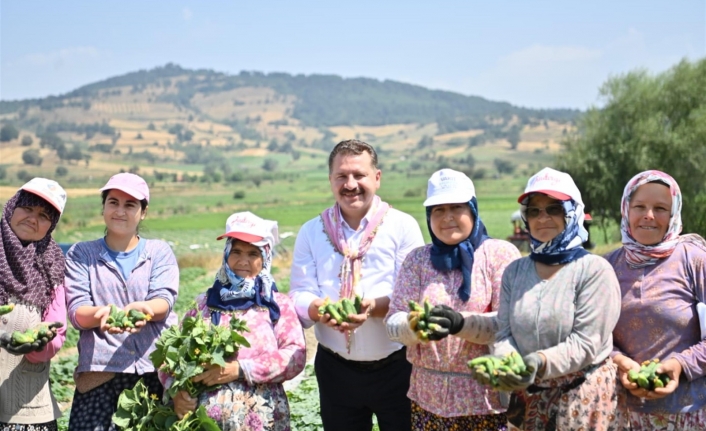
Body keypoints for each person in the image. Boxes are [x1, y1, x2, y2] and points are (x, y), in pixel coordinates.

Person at [289, 139, 424, 431]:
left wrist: (372, 307)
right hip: (336, 370)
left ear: (377, 177)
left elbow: (413, 297)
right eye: (342, 176)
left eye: (359, 175)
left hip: (398, 366)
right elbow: (299, 292)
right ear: (331, 180)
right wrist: (317, 309)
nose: (350, 184)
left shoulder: (402, 226)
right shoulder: (312, 231)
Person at [481, 167, 627, 430]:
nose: (542, 217)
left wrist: (538, 362)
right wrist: (510, 364)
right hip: (528, 399)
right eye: (534, 210)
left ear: (572, 212)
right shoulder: (515, 272)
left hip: (582, 401)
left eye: (554, 208)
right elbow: (503, 333)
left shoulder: (594, 270)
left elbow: (586, 343)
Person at [385, 169, 520, 430]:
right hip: (428, 401)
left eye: (456, 207)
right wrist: (414, 326)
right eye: (438, 209)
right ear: (429, 216)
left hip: (486, 401)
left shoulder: (499, 254)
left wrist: (460, 323)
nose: (447, 217)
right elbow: (393, 321)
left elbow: (510, 323)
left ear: (472, 209)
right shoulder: (418, 261)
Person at [169, 211, 306, 430]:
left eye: (253, 253)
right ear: (226, 254)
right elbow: (172, 356)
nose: (243, 261)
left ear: (265, 258)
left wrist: (242, 369)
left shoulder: (276, 304)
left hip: (264, 420)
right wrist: (176, 392)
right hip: (207, 422)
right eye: (236, 252)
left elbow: (295, 356)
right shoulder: (204, 304)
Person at [64, 173, 179, 431]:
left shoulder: (158, 252)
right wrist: (103, 315)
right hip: (100, 375)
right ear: (104, 207)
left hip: (153, 372)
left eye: (130, 205)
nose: (120, 211)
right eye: (113, 202)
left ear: (143, 212)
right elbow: (77, 310)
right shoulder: (82, 254)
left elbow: (164, 299)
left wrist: (145, 310)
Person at [605, 170, 706, 430]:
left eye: (660, 208)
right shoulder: (607, 267)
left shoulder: (694, 260)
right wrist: (619, 362)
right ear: (626, 209)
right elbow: (593, 336)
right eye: (639, 206)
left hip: (689, 413)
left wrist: (679, 365)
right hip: (623, 414)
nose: (649, 215)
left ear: (673, 214)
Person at [0, 178, 68, 431]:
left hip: (27, 411)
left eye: (43, 215)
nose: (32, 218)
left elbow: (57, 330)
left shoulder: (53, 265)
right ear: (12, 206)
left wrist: (39, 344)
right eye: (27, 208)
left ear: (51, 225)